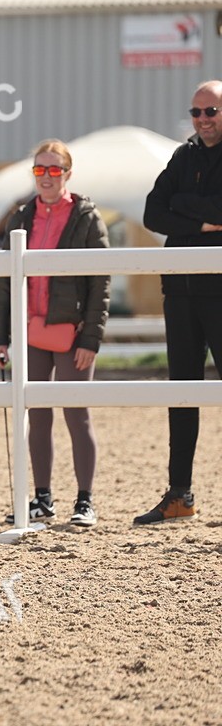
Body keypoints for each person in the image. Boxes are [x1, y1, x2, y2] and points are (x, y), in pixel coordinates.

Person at [0, 140, 110, 527]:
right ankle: (42, 499)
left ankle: (84, 501)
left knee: (77, 415)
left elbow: (101, 283)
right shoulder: (21, 217)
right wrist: (0, 337)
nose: (46, 176)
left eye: (54, 169)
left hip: (73, 333)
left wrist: (91, 339)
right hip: (30, 332)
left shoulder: (87, 217)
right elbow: (5, 284)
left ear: (67, 173)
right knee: (37, 416)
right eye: (39, 169)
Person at [136, 79, 222, 525]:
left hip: (219, 291)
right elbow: (152, 212)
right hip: (180, 291)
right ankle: (179, 495)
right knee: (181, 391)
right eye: (196, 112)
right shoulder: (182, 155)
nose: (203, 120)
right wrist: (202, 220)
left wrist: (183, 206)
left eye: (211, 111)